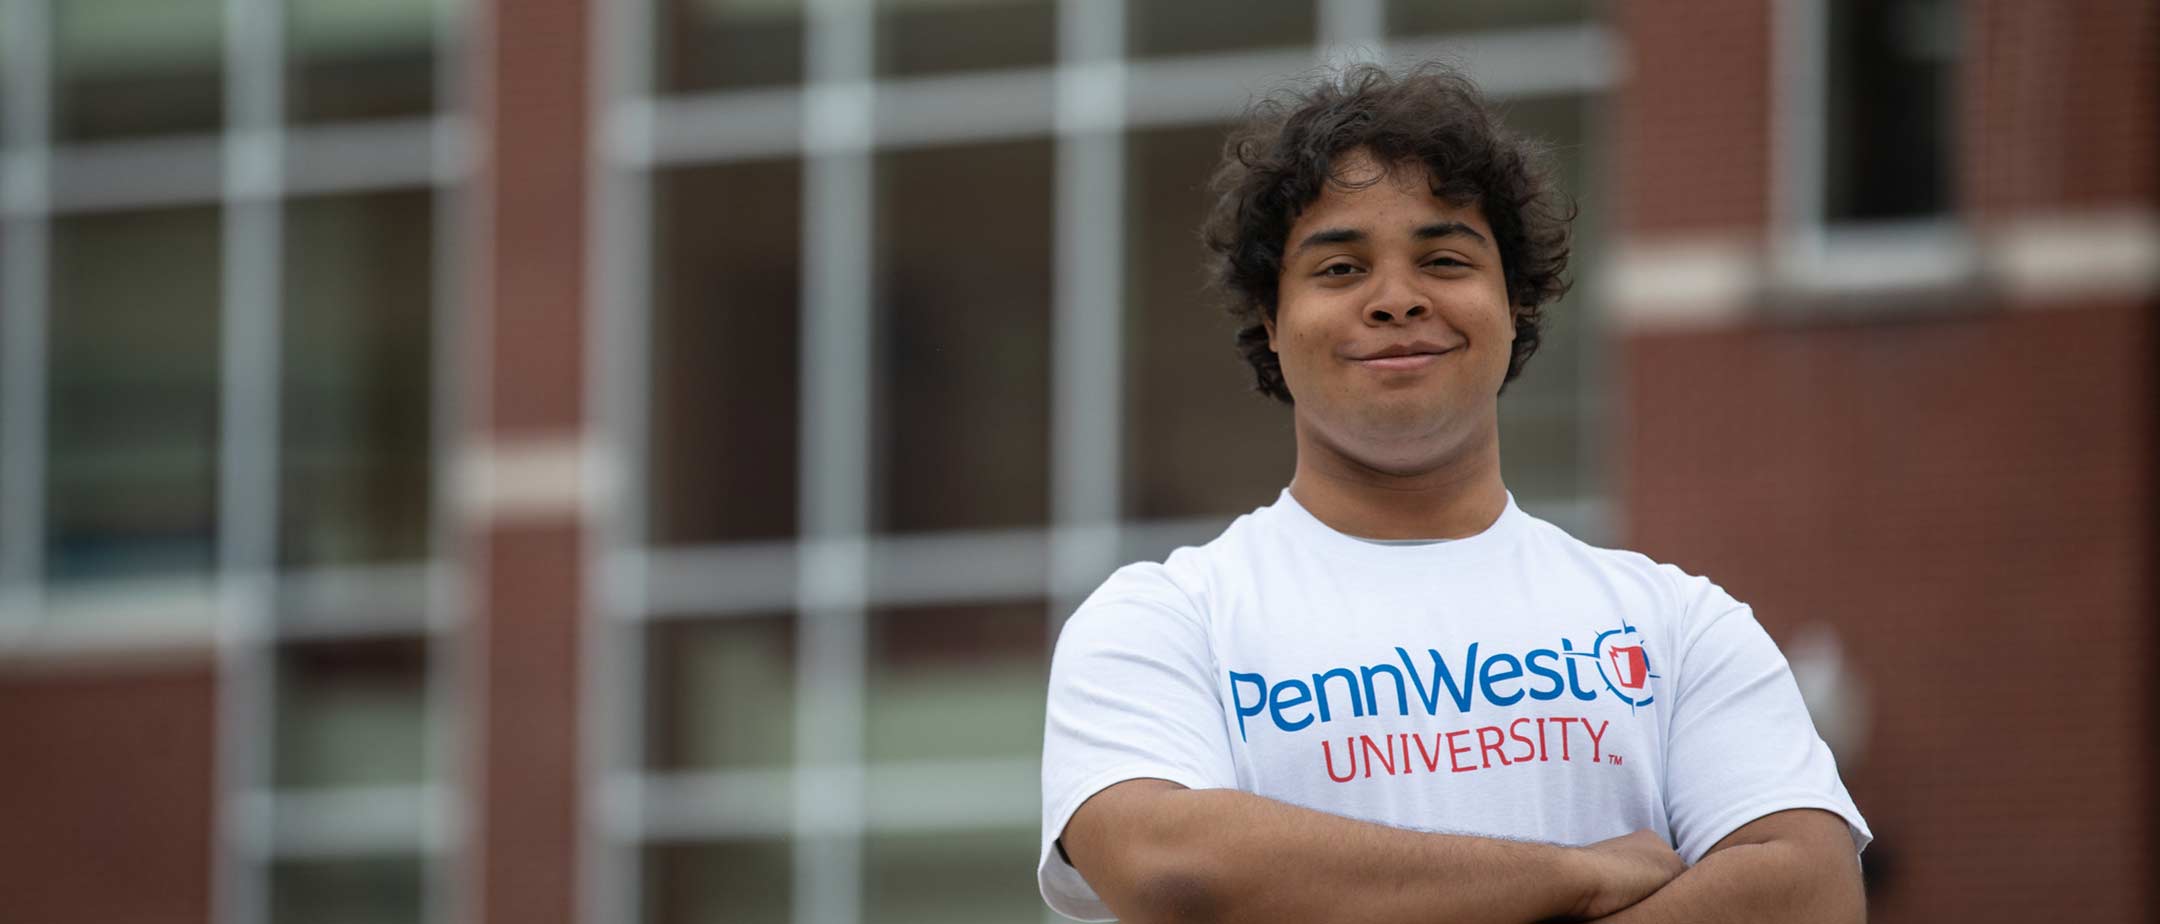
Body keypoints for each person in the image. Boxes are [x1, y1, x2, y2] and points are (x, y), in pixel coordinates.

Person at [1036, 62, 1870, 923]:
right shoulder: (1164, 621)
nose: (1397, 300)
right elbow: (1176, 866)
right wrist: (1576, 876)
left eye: (1443, 258)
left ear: (1515, 305)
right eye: (1339, 270)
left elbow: (1807, 891)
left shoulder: (1675, 623)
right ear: (1271, 321)